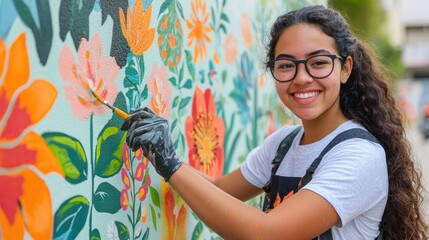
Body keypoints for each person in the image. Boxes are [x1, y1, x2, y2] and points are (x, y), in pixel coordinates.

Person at [122, 5, 428, 240]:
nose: (301, 78)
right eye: (286, 66)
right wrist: (161, 154)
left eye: (318, 62)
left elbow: (265, 233)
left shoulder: (359, 156)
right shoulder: (284, 144)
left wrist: (171, 164)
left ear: (345, 68)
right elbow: (219, 191)